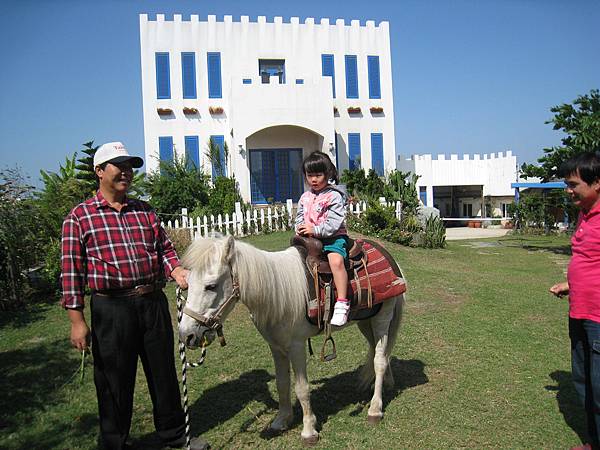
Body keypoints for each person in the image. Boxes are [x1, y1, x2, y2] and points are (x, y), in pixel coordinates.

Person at [61, 142, 209, 450]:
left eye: (130, 166)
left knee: (163, 374)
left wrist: (176, 271)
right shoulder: (80, 217)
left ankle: (174, 437)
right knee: (114, 380)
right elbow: (71, 273)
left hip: (152, 302)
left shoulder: (145, 210)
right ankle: (115, 443)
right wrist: (77, 320)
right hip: (111, 308)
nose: (126, 172)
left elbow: (164, 250)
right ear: (99, 171)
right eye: (118, 165)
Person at [550, 151, 600, 450]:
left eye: (573, 184)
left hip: (598, 318)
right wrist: (570, 284)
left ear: (597, 183)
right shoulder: (585, 214)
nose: (569, 191)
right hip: (579, 311)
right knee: (583, 381)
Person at [295, 151, 350, 326]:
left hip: (332, 238)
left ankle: (342, 303)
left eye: (318, 175)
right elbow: (299, 218)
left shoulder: (334, 196)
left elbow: (334, 223)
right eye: (310, 175)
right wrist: (300, 228)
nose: (314, 179)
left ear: (328, 174)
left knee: (336, 262)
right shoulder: (305, 197)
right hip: (310, 240)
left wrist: (315, 229)